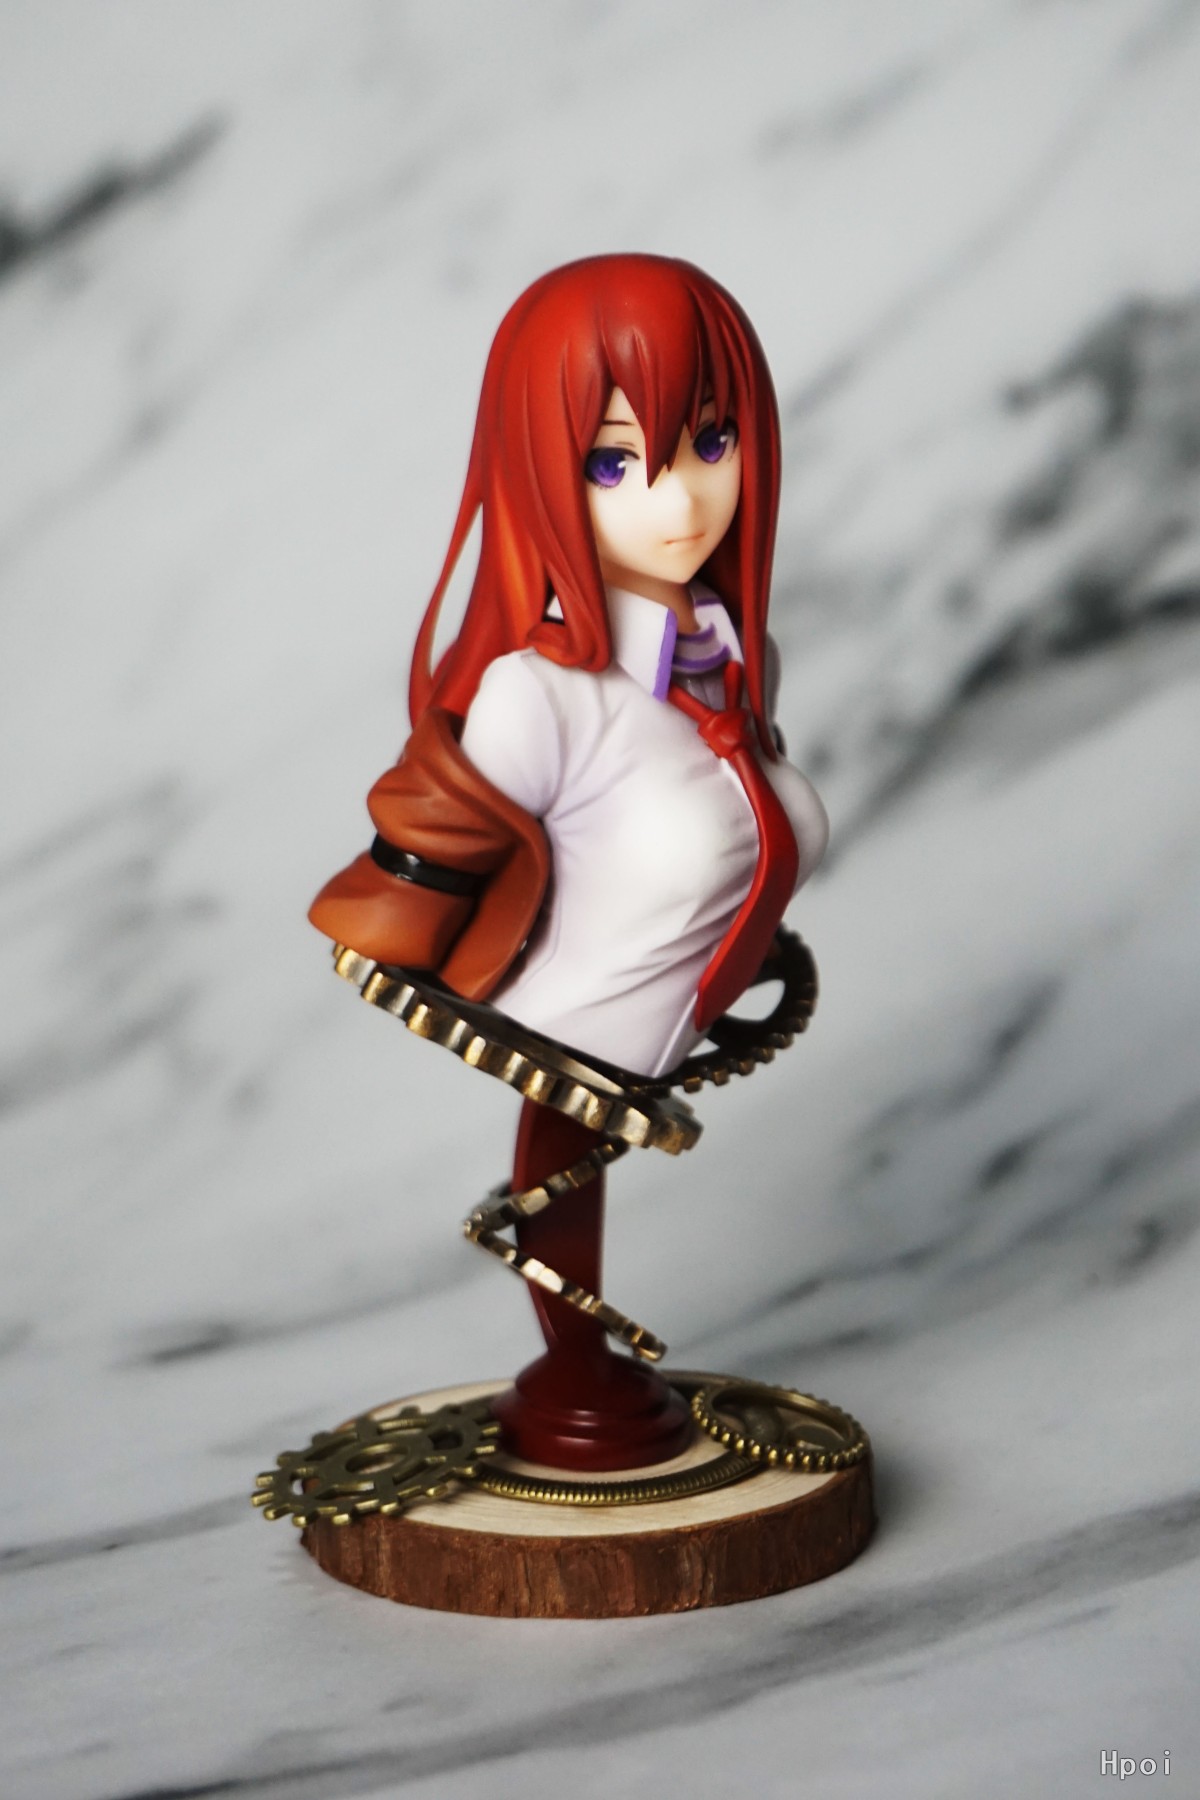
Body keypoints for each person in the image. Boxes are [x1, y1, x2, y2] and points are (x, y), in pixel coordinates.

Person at [308, 255, 828, 1468]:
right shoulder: (540, 698)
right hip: (576, 1044)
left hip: (673, 1032)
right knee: (562, 1177)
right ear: (542, 471)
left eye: (710, 442)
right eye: (613, 462)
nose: (679, 500)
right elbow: (430, 855)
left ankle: (588, 1359)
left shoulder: (739, 660)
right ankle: (578, 1364)